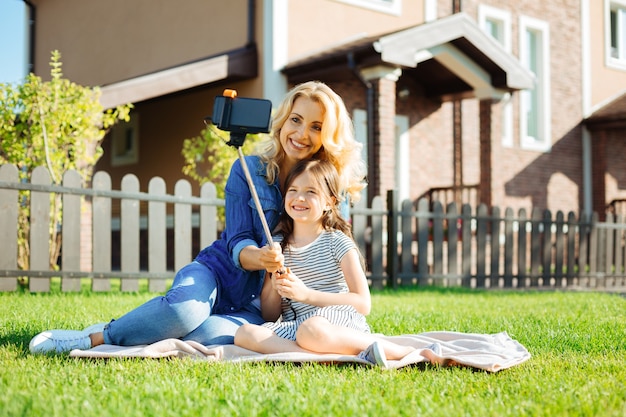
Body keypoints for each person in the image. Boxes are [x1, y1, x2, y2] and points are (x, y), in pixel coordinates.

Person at [29, 81, 367, 354]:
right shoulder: (248, 170)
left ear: (329, 135)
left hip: (257, 307)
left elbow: (336, 258)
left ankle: (148, 325)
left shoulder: (333, 190)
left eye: (316, 126)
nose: (302, 133)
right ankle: (96, 338)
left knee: (205, 335)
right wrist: (261, 258)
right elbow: (236, 240)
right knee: (183, 313)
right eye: (296, 119)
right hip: (219, 273)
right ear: (283, 121)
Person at [234, 159, 416, 367]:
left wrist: (306, 295)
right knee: (244, 333)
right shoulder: (277, 246)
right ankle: (320, 357)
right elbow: (270, 314)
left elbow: (363, 304)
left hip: (335, 322)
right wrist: (276, 287)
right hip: (297, 326)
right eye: (293, 190)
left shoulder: (337, 242)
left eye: (311, 192)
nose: (299, 198)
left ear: (329, 202)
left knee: (312, 331)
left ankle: (400, 351)